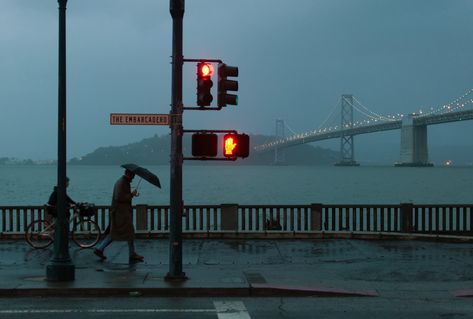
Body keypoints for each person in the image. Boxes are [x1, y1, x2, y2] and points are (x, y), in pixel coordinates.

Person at [94, 169, 144, 262]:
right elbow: (119, 197)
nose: (133, 178)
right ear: (128, 174)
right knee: (121, 233)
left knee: (122, 233)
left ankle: (101, 249)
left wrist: (130, 195)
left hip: (122, 213)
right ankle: (100, 249)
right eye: (132, 176)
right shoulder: (122, 183)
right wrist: (131, 195)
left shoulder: (123, 182)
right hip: (121, 214)